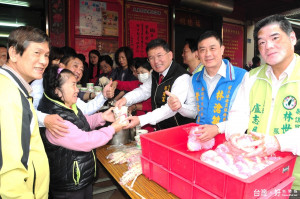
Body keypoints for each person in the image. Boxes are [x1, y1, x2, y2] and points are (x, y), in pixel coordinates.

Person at [225, 14, 300, 193]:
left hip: (295, 182)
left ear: (292, 38)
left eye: (275, 38)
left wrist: (278, 142)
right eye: (262, 42)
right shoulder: (251, 77)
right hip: (256, 175)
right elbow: (239, 114)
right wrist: (234, 135)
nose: (268, 46)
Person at [38, 66, 125, 198]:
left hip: (80, 177)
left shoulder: (66, 106)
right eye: (73, 85)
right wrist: (112, 128)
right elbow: (86, 140)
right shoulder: (56, 119)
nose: (77, 90)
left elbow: (81, 123)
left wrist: (102, 117)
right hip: (69, 185)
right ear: (57, 91)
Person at [168, 31, 247, 141]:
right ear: (198, 54)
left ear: (222, 49)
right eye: (202, 50)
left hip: (230, 143)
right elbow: (194, 111)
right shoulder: (194, 79)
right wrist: (180, 107)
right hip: (202, 141)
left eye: (212, 48)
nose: (208, 54)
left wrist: (217, 128)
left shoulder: (242, 77)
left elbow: (245, 115)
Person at [0, 26, 50, 198]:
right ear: (13, 53)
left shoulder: (13, 88)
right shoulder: (10, 95)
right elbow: (10, 173)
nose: (44, 61)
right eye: (37, 53)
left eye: (46, 55)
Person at [116, 38, 197, 130]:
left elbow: (170, 109)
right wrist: (125, 99)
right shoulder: (155, 74)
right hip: (162, 129)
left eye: (159, 56)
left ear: (170, 55)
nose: (156, 61)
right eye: (151, 58)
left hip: (180, 130)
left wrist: (141, 119)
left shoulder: (181, 77)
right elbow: (143, 91)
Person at [32, 54, 113, 137]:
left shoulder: (69, 92)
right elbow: (28, 111)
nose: (79, 71)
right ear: (61, 66)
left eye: (81, 69)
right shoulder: (39, 84)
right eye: (75, 66)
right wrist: (45, 119)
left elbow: (85, 110)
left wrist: (103, 95)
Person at [112, 58, 154, 132]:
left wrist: (134, 106)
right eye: (138, 73)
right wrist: (115, 83)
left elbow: (152, 105)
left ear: (151, 71)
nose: (140, 75)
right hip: (137, 121)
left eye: (142, 72)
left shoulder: (156, 85)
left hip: (150, 122)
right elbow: (124, 84)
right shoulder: (137, 83)